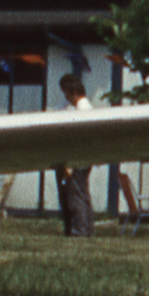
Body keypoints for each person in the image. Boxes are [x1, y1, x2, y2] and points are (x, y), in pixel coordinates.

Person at [53, 73, 94, 237]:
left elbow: (78, 139)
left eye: (67, 95)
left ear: (74, 93)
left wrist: (70, 164)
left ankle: (80, 230)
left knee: (76, 196)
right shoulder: (82, 107)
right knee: (81, 194)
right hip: (82, 157)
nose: (67, 98)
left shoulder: (82, 110)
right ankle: (85, 229)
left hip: (78, 158)